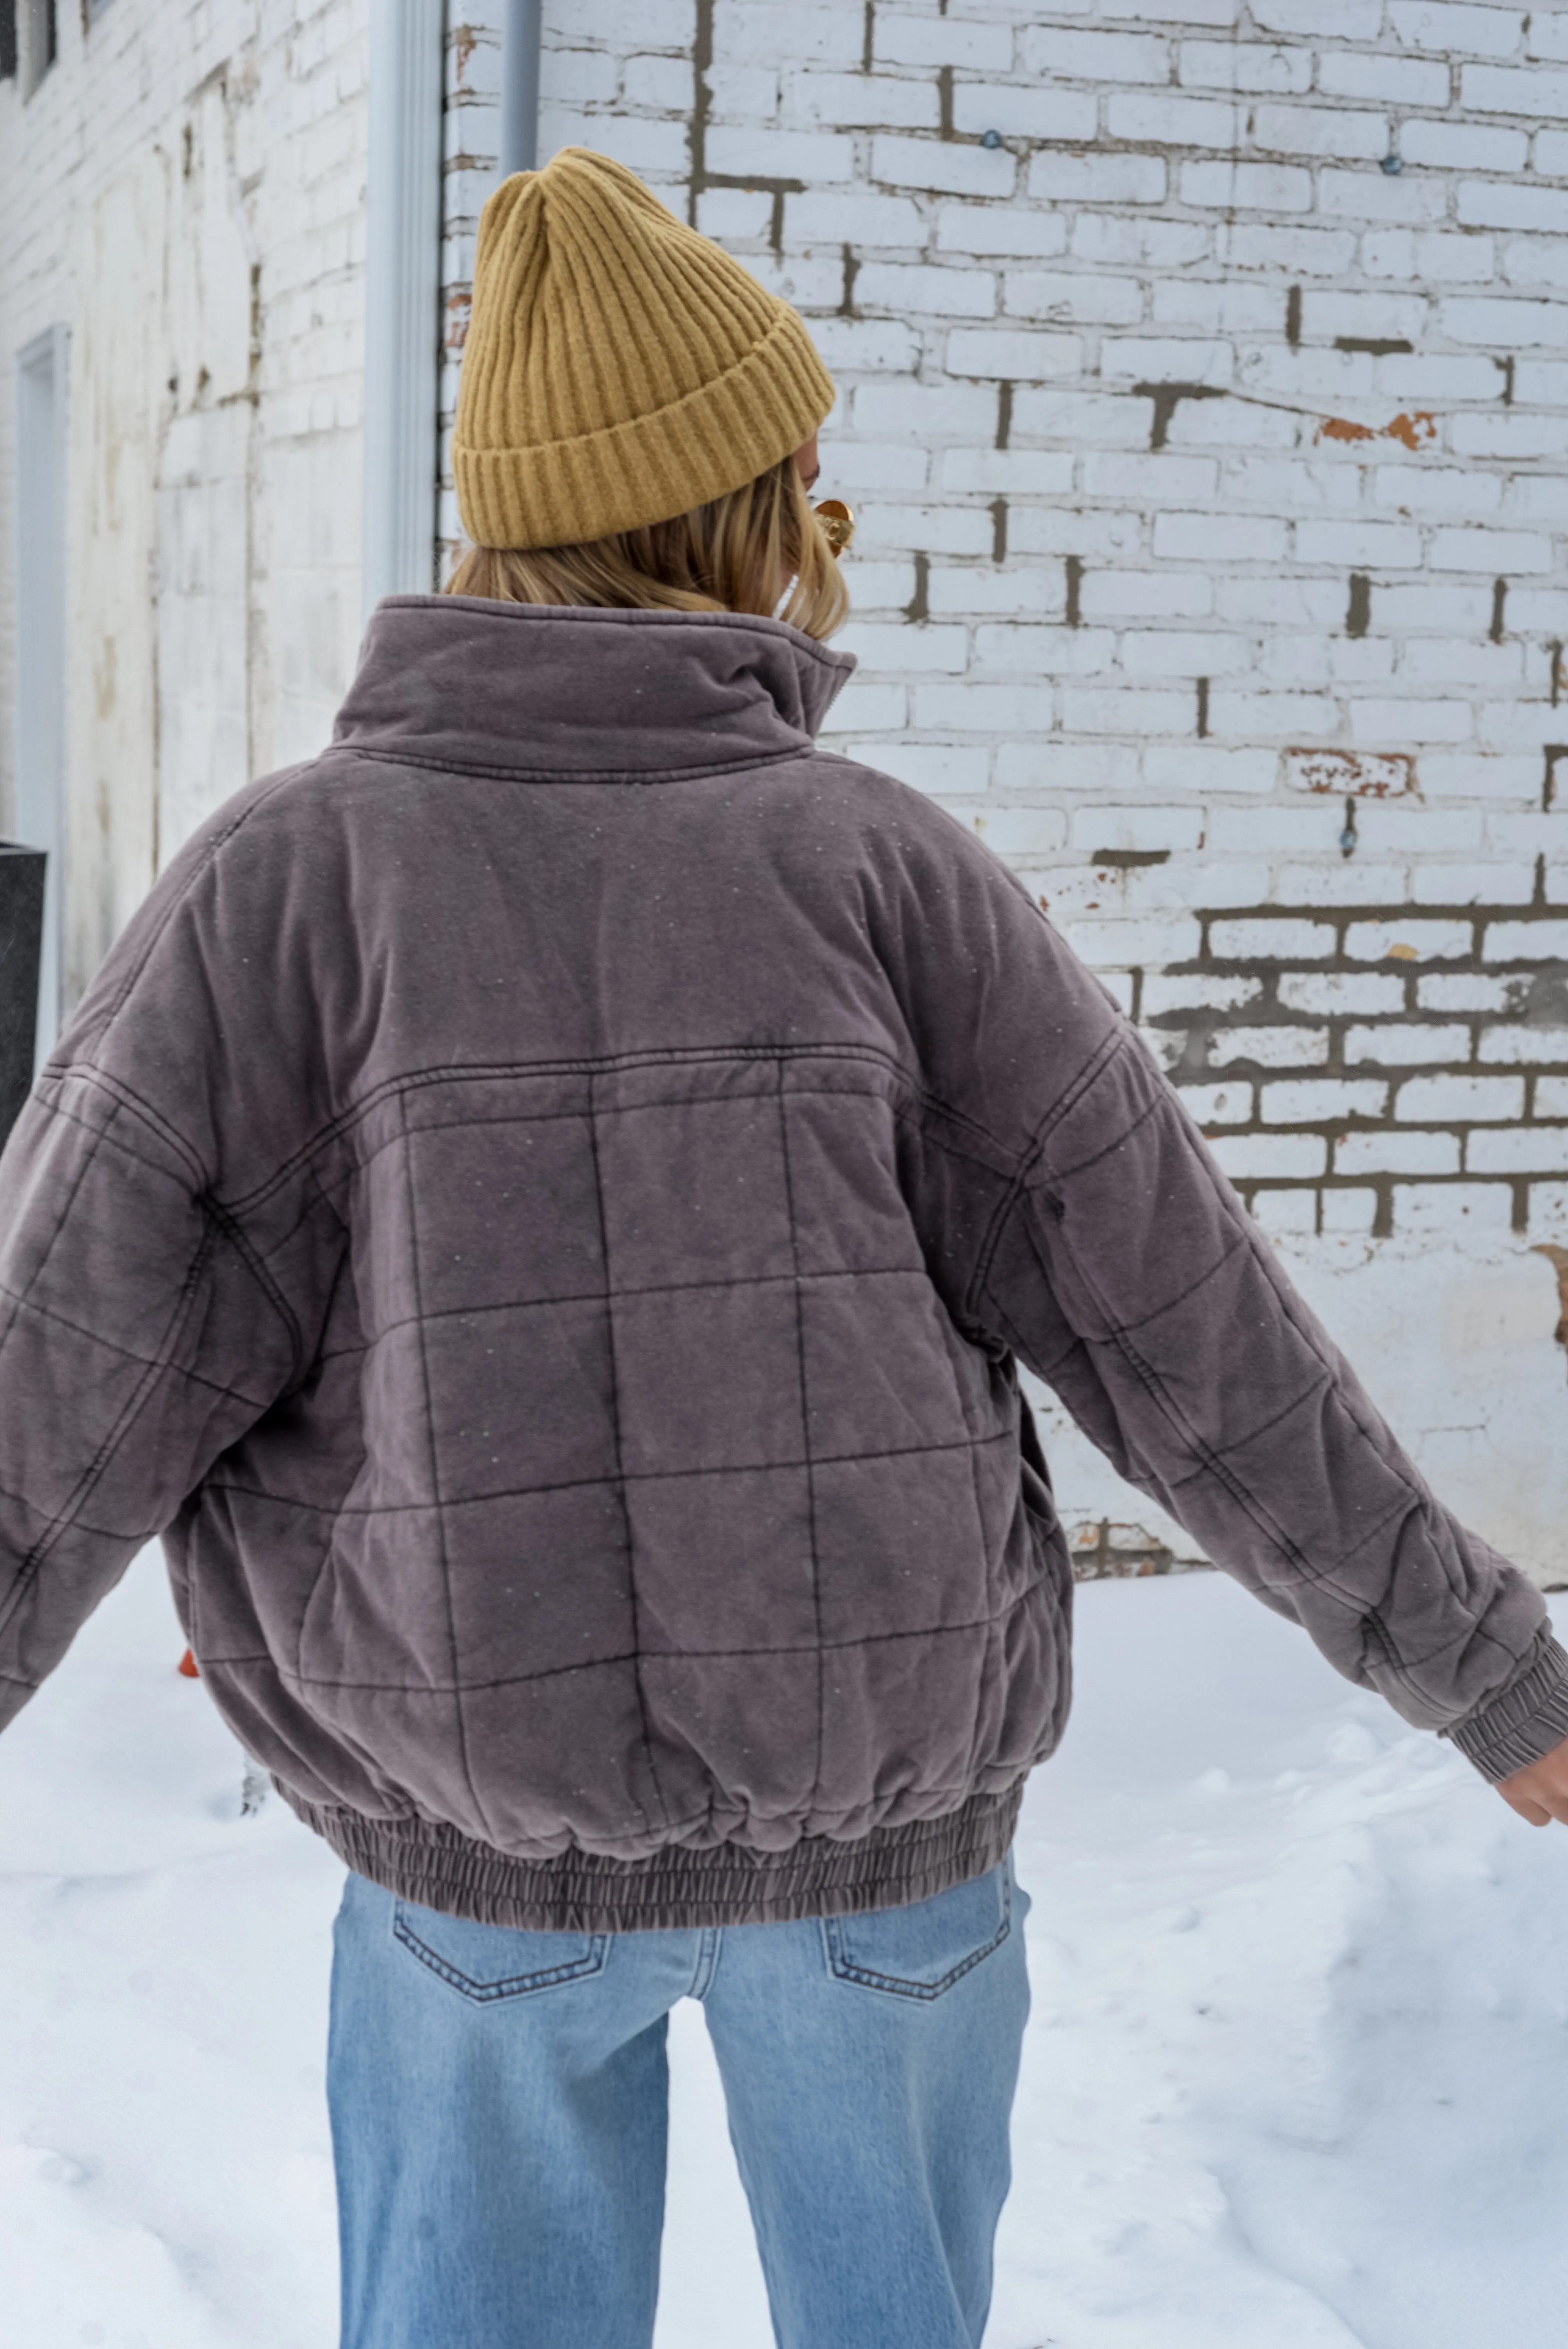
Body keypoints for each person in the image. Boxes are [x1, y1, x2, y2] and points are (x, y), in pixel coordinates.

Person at [0, 146, 1565, 2349]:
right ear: (747, 501)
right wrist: (1492, 1675)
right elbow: (1194, 1339)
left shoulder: (282, 890)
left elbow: (52, 1369)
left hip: (480, 1859)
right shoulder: (885, 875)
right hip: (880, 1851)